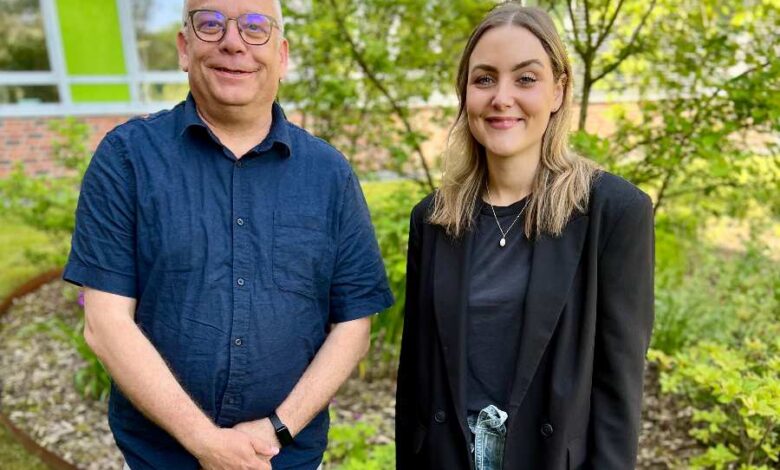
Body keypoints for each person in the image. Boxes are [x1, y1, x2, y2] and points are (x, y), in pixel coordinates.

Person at [63, 1, 394, 469]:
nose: (233, 42)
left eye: (255, 27)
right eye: (211, 23)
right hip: (159, 460)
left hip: (287, 456)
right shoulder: (127, 160)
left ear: (281, 55)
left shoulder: (328, 174)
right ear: (184, 47)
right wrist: (205, 442)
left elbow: (354, 323)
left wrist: (277, 427)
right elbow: (105, 324)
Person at [395, 3, 654, 469]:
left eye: (526, 78)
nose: (502, 97)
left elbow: (619, 394)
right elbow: (414, 383)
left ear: (558, 90)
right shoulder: (433, 220)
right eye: (485, 78)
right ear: (465, 94)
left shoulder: (613, 212)